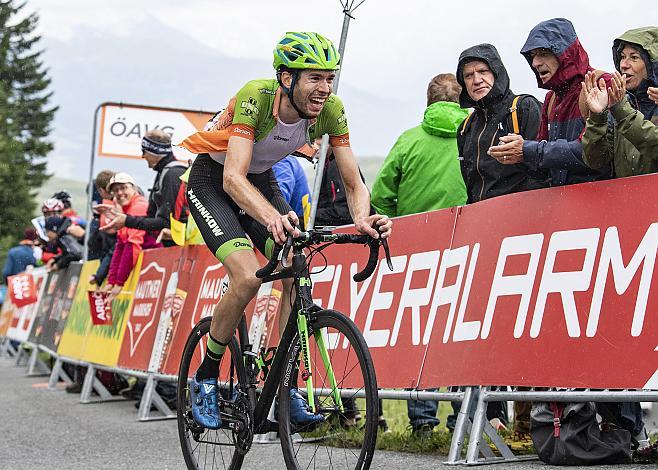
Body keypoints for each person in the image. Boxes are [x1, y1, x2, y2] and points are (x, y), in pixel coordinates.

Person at [178, 31, 392, 430]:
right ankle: (206, 375)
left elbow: (353, 182)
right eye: (314, 78)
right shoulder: (256, 97)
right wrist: (273, 217)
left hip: (260, 182)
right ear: (286, 78)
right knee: (246, 277)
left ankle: (282, 383)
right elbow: (232, 179)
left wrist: (363, 217)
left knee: (296, 265)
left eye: (330, 78)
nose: (324, 88)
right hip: (214, 181)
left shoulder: (331, 110)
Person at [371, 73, 468, 436]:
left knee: (421, 332)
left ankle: (422, 422)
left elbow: (381, 196)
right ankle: (464, 417)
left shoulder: (409, 140)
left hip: (417, 253)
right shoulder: (474, 135)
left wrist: (402, 223)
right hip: (467, 245)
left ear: (428, 102)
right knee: (463, 332)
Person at [490, 18, 612, 185]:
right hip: (564, 204)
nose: (535, 63)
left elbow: (589, 154)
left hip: (603, 202)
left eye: (543, 53)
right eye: (532, 56)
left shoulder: (602, 83)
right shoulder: (551, 99)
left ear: (565, 54)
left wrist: (526, 149)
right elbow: (545, 169)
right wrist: (516, 156)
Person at [456, 44, 549, 203]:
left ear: (496, 72)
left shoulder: (524, 107)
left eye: (483, 71)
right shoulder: (465, 127)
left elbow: (546, 171)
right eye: (468, 75)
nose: (477, 80)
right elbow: (471, 187)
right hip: (482, 220)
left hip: (526, 214)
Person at [582, 27, 658, 175]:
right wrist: (597, 118)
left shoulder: (621, 108)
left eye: (634, 57)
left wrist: (622, 111)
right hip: (627, 197)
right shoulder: (622, 105)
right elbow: (595, 161)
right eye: (622, 57)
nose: (623, 64)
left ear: (653, 65)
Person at [101, 130, 187, 246]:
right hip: (176, 246)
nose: (142, 156)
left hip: (186, 247)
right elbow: (151, 216)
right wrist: (121, 216)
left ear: (154, 152)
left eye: (144, 151)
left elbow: (166, 223)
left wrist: (127, 220)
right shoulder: (163, 172)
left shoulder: (172, 174)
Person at [101, 173, 159, 300]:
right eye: (115, 190)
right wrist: (111, 281)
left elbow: (133, 246)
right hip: (149, 267)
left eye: (124, 188)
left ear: (134, 188)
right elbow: (120, 245)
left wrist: (119, 283)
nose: (120, 193)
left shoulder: (138, 206)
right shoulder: (125, 209)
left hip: (157, 263)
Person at [272, 155, 311, 228]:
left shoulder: (281, 162)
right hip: (301, 218)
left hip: (296, 222)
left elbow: (279, 195)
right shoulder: (285, 158)